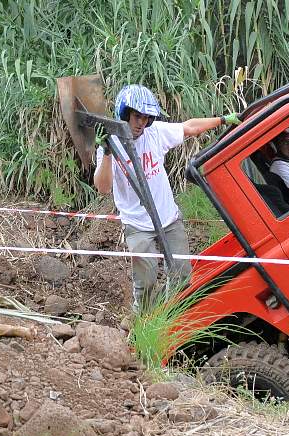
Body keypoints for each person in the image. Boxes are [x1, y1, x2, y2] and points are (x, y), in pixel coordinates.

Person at [93, 84, 240, 311]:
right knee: (147, 280)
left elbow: (189, 127)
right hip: (137, 224)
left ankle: (169, 313)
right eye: (136, 116)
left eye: (146, 118)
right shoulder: (110, 146)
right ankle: (142, 318)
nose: (141, 123)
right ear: (124, 113)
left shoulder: (155, 133)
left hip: (168, 218)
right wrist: (107, 153)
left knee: (182, 274)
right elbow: (102, 187)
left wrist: (222, 120)